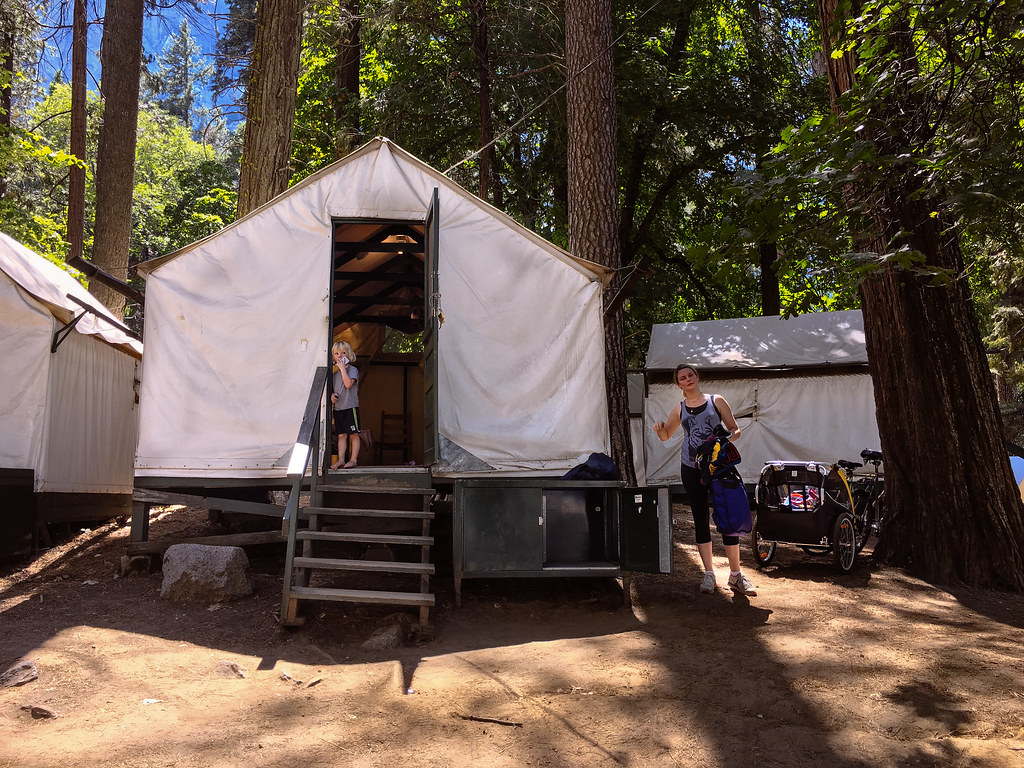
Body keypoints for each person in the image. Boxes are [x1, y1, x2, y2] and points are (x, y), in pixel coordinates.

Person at [653, 363, 757, 596]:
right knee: (700, 517)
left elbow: (735, 430)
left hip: (719, 468)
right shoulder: (679, 408)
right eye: (683, 377)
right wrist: (659, 429)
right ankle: (709, 574)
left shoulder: (716, 401)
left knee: (727, 516)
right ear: (678, 384)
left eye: (691, 375)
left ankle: (736, 575)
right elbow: (666, 435)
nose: (688, 379)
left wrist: (723, 442)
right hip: (691, 468)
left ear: (697, 377)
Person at [330, 341, 361, 470]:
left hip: (350, 407)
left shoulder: (353, 370)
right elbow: (333, 392)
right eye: (336, 353)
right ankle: (341, 459)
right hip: (339, 409)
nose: (340, 355)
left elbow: (348, 384)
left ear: (349, 355)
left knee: (353, 434)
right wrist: (332, 397)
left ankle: (353, 459)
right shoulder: (334, 375)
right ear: (333, 357)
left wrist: (343, 368)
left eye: (343, 353)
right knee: (341, 435)